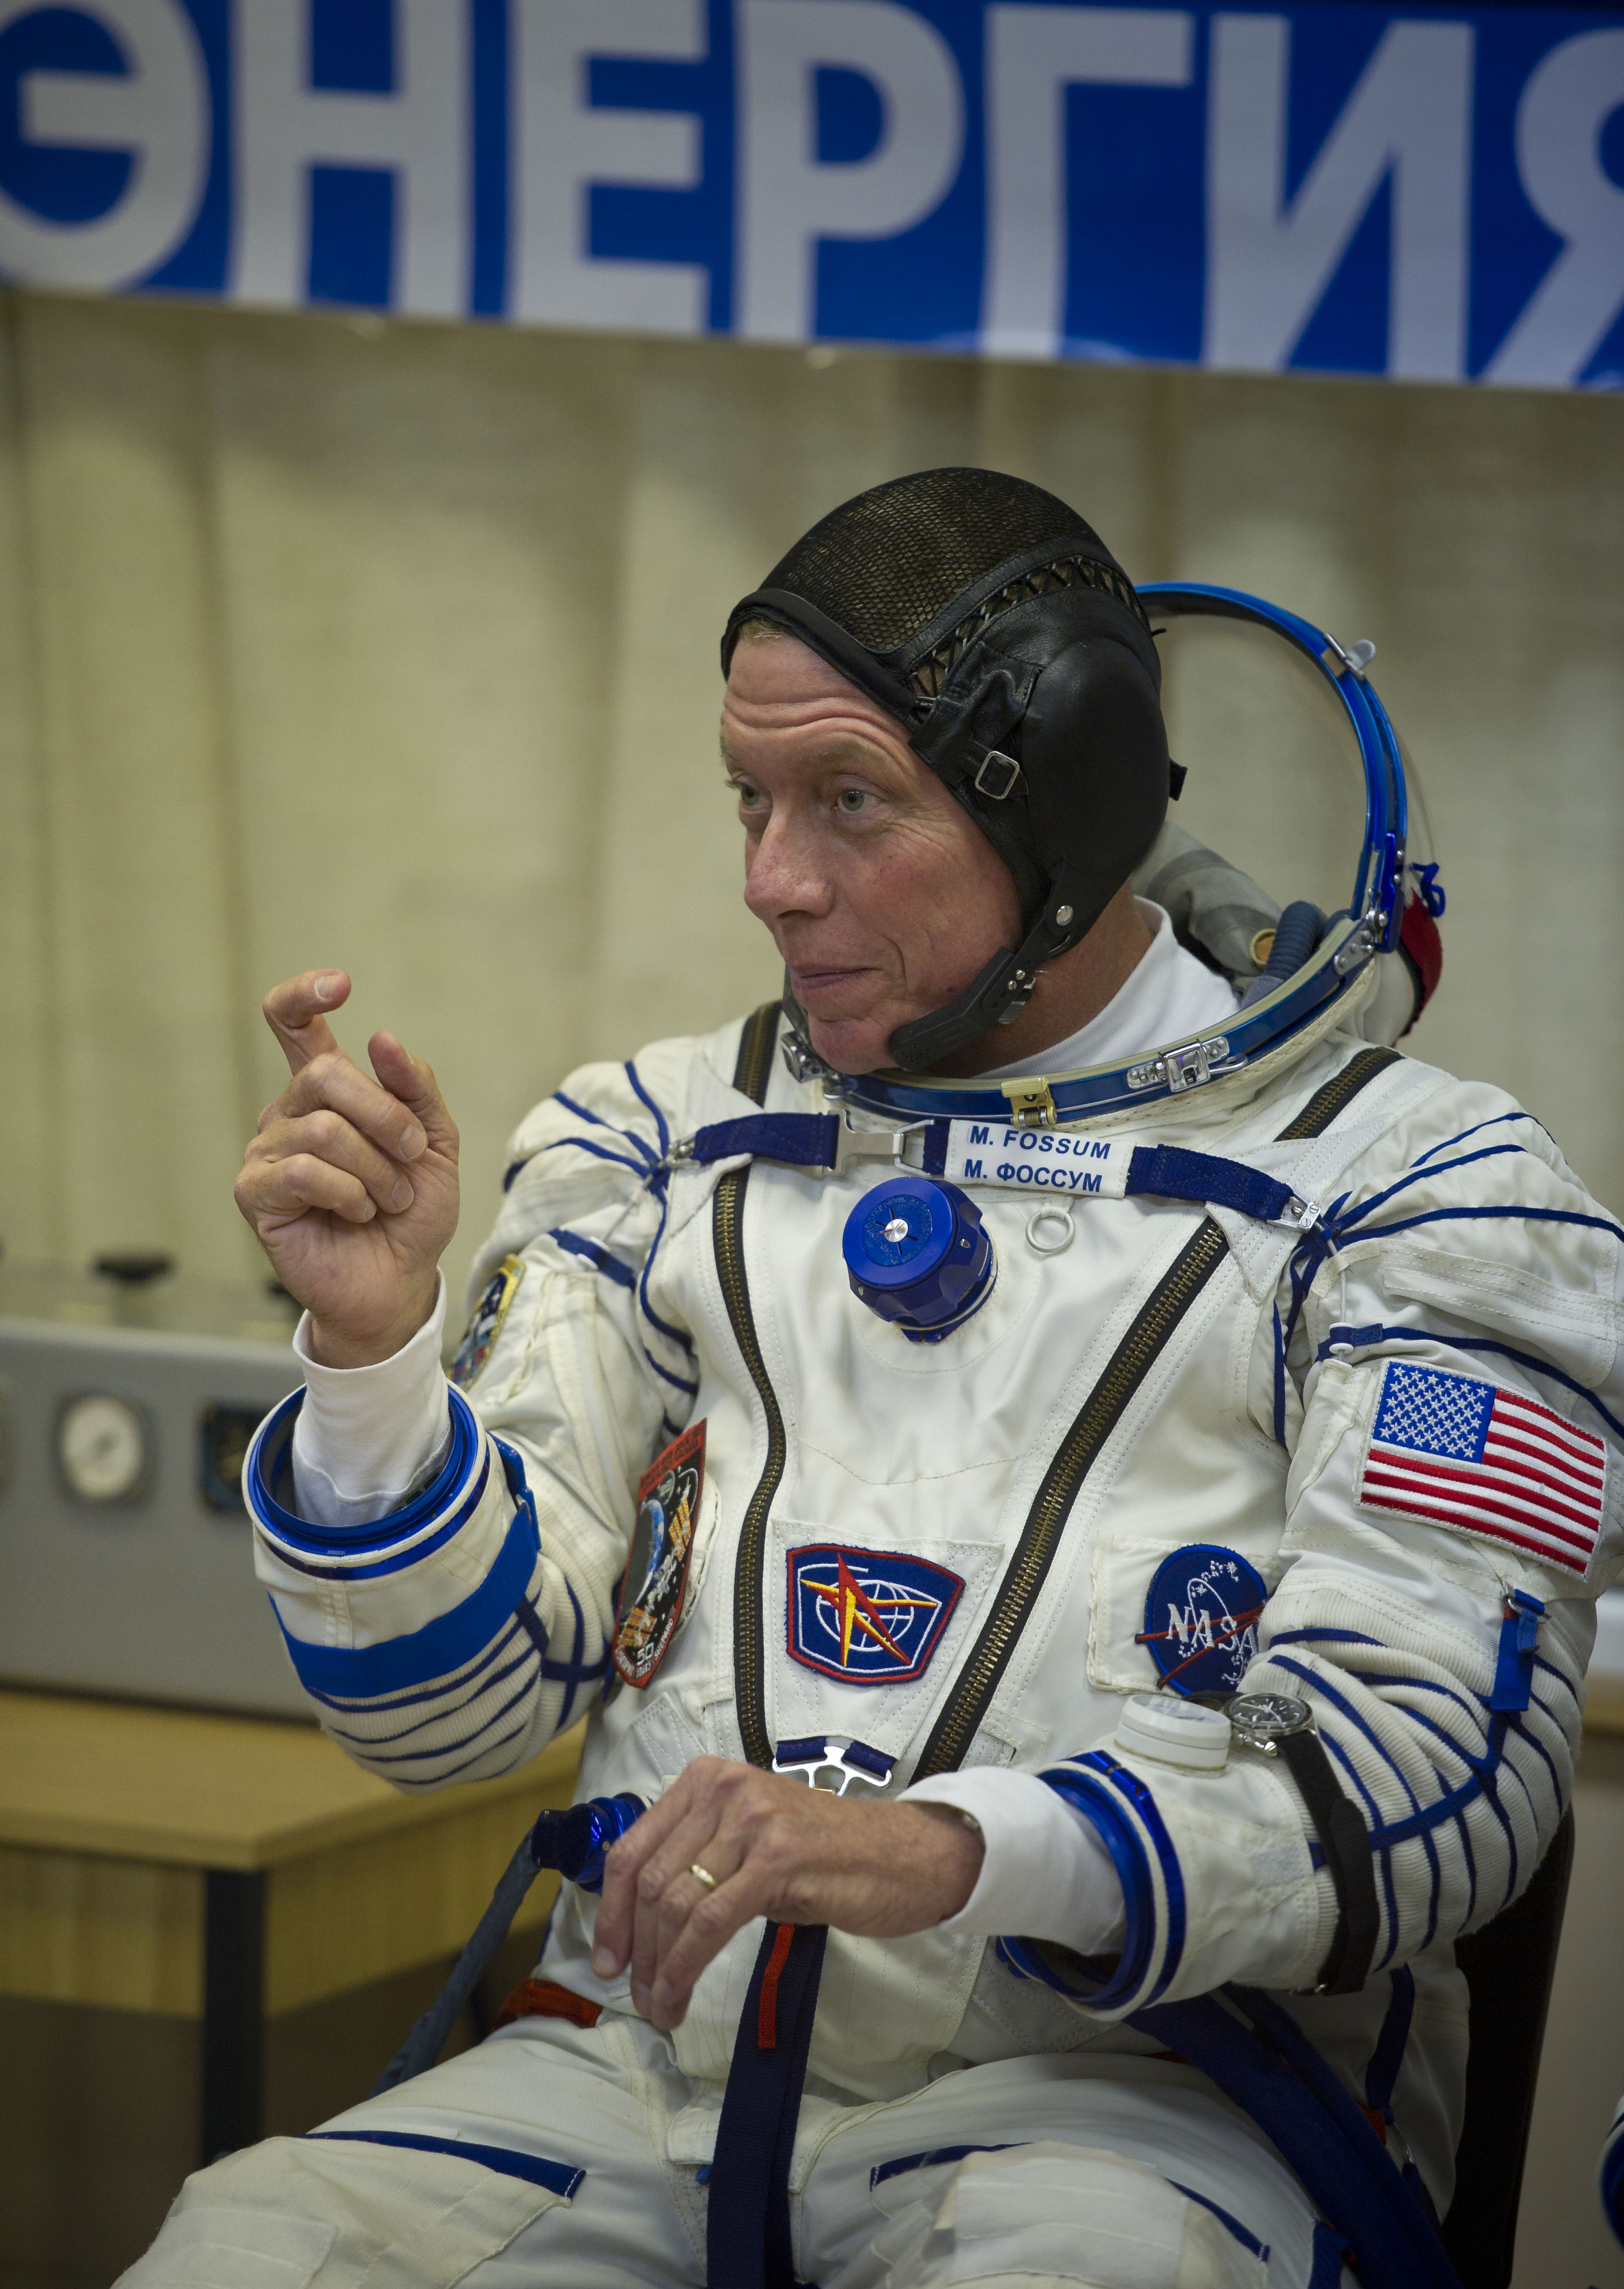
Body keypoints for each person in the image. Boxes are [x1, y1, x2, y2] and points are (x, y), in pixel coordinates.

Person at [124, 470, 1620, 2289]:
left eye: (849, 800)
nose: (771, 879)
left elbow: (1437, 1788)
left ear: (1061, 803)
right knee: (244, 2245)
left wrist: (952, 1849)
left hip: (1140, 2109)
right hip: (644, 2075)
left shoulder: (1421, 1202)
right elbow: (439, 1718)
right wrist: (372, 1361)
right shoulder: (655, 1144)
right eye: (750, 800)